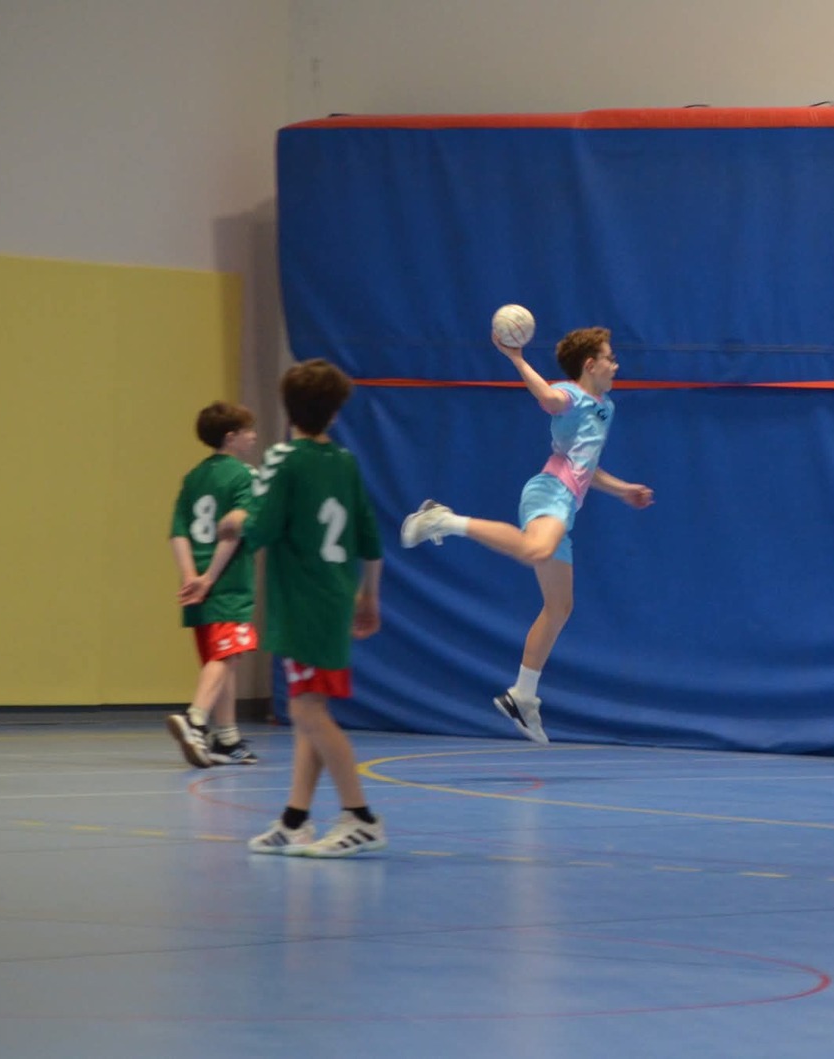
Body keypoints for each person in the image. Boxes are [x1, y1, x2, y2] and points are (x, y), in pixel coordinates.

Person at [399, 326, 653, 743]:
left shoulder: (605, 407)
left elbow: (586, 468)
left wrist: (623, 489)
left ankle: (522, 695)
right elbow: (548, 399)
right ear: (591, 365)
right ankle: (443, 520)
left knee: (559, 606)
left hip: (567, 505)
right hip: (549, 492)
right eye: (610, 358)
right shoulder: (569, 395)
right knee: (536, 549)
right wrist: (517, 358)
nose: (616, 364)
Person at [213, 359, 386, 857]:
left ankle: (360, 816)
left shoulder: (284, 458)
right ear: (335, 413)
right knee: (312, 708)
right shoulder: (345, 462)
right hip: (335, 596)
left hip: (302, 603)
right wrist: (370, 596)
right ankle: (295, 819)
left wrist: (236, 522)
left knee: (307, 711)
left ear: (287, 409)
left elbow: (263, 526)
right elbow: (370, 538)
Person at [165, 401, 262, 768]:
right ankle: (195, 720)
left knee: (222, 658)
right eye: (249, 431)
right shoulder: (245, 476)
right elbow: (232, 532)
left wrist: (191, 575)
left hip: (195, 584)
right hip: (227, 581)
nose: (254, 436)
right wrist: (210, 578)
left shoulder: (193, 477)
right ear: (231, 437)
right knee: (227, 655)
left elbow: (177, 532)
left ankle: (227, 738)